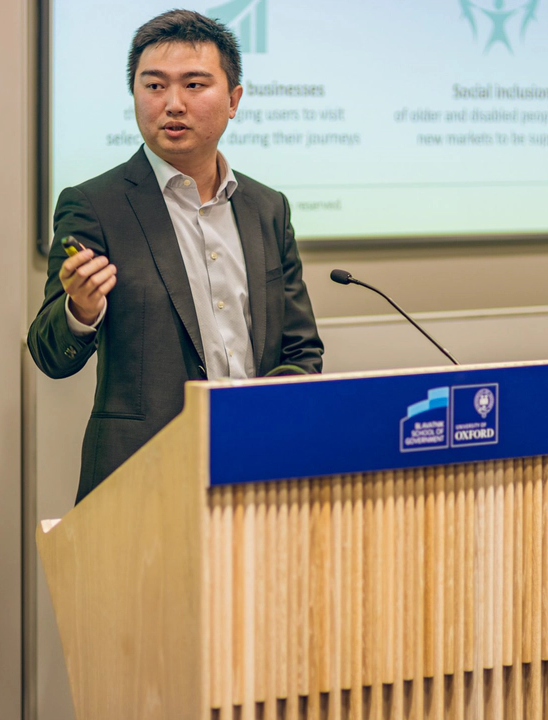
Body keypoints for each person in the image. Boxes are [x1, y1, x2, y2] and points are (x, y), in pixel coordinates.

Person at [28, 9, 323, 504]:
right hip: (141, 478)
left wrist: (259, 420)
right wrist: (81, 310)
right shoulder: (94, 205)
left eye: (194, 84)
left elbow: (302, 352)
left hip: (258, 467)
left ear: (233, 101)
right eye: (155, 86)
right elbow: (49, 355)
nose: (173, 104)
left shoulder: (266, 208)